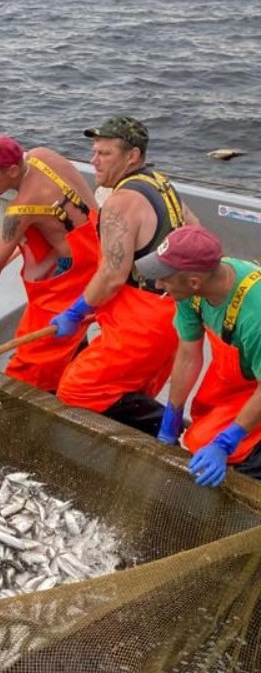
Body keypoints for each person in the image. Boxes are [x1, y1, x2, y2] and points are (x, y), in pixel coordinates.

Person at [49, 115, 199, 434]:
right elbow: (197, 233)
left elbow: (113, 275)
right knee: (131, 390)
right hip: (174, 312)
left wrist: (77, 311)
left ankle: (183, 435)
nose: (94, 161)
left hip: (142, 320)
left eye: (105, 154)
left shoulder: (121, 200)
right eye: (93, 152)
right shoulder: (161, 184)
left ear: (132, 156)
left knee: (77, 389)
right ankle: (156, 437)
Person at [0, 135, 101, 391]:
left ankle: (45, 389)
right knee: (72, 332)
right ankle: (76, 354)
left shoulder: (19, 211)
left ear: (11, 170)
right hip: (100, 241)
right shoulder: (43, 155)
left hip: (76, 272)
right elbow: (88, 203)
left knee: (31, 359)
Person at [136, 225, 261, 487]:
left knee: (238, 456)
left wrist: (227, 442)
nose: (158, 285)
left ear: (194, 282)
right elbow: (188, 354)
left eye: (164, 278)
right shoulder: (190, 292)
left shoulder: (255, 315)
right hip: (243, 379)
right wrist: (171, 416)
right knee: (199, 438)